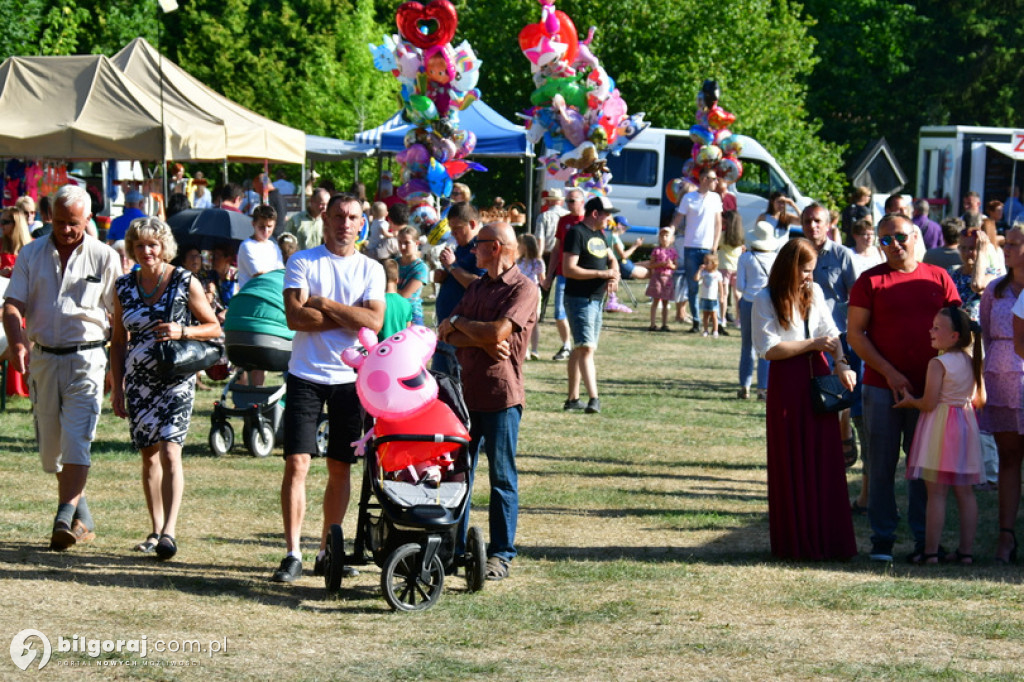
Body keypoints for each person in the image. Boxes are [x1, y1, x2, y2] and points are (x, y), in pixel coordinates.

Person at [271, 193, 385, 583]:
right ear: (325, 219)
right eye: (338, 215)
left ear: (361, 222)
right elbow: (294, 318)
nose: (345, 223)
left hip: (351, 381)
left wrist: (322, 303)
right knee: (297, 464)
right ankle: (292, 553)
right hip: (305, 374)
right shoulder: (302, 260)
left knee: (340, 468)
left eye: (353, 216)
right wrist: (348, 316)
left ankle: (326, 551)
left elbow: (375, 322)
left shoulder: (371, 268)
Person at [2, 185, 121, 550]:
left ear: (87, 220)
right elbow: (11, 306)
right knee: (51, 451)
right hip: (44, 358)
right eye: (60, 222)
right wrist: (18, 341)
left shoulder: (104, 257)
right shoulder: (31, 254)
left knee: (77, 440)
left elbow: (119, 319)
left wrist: (118, 370)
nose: (66, 229)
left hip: (88, 358)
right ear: (50, 217)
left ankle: (63, 516)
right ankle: (81, 516)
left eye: (73, 223)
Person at [848, 213, 962, 563]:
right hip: (882, 388)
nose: (894, 244)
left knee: (922, 467)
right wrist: (890, 373)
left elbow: (959, 329)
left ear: (915, 236)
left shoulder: (939, 277)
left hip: (928, 391)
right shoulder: (869, 281)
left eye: (899, 236)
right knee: (880, 465)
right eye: (885, 239)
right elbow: (855, 335)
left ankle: (923, 540)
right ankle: (882, 538)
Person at [109, 218, 221, 560]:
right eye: (140, 245)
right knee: (149, 455)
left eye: (153, 245)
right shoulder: (123, 287)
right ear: (132, 248)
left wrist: (181, 331)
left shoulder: (184, 281)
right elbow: (117, 340)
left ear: (164, 247)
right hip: (139, 381)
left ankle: (169, 532)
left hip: (175, 378)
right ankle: (155, 528)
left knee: (171, 450)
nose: (147, 251)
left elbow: (214, 326)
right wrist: (117, 386)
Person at [438, 221, 538, 581]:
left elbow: (499, 333)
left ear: (495, 247)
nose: (472, 250)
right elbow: (445, 330)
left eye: (477, 245)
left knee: (501, 478)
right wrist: (470, 328)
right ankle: (453, 549)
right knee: (458, 475)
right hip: (466, 398)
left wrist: (466, 328)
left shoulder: (525, 288)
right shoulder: (478, 286)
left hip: (501, 397)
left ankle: (500, 554)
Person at [752, 238, 857, 560]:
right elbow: (769, 350)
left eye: (812, 271)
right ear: (789, 268)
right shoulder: (765, 298)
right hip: (788, 381)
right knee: (791, 458)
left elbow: (833, 332)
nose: (809, 277)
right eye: (805, 270)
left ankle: (830, 541)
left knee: (824, 459)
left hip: (819, 379)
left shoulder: (816, 293)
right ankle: (796, 542)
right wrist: (812, 344)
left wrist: (842, 364)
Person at [895, 306, 985, 564]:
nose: (931, 331)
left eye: (937, 328)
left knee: (936, 494)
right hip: (966, 426)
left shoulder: (938, 363)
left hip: (940, 429)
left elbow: (929, 403)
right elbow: (981, 399)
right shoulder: (972, 360)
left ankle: (931, 552)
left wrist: (909, 402)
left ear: (954, 335)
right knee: (966, 493)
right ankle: (966, 553)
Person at [801, 203, 859, 463]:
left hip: (839, 334)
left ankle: (844, 433)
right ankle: (816, 442)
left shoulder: (842, 255)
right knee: (810, 391)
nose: (812, 226)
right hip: (805, 336)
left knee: (840, 388)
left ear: (828, 225)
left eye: (817, 221)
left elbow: (856, 295)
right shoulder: (796, 254)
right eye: (807, 221)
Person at [981, 226, 1024, 563]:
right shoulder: (995, 290)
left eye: (1013, 244)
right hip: (1002, 384)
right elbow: (986, 339)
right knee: (1008, 459)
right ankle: (1005, 537)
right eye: (1004, 243)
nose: (1005, 248)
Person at [562, 196, 620, 414]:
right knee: (586, 348)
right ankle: (594, 398)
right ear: (595, 213)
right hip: (579, 298)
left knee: (580, 349)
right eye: (606, 213)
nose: (609, 218)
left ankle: (572, 399)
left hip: (596, 299)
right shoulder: (576, 233)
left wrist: (613, 275)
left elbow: (612, 259)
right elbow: (569, 269)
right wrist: (601, 273)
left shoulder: (600, 235)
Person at [433, 201, 485, 373]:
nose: (453, 233)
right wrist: (443, 276)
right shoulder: (461, 248)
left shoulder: (481, 247)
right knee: (440, 382)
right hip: (446, 327)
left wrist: (452, 266)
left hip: (461, 331)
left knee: (455, 385)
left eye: (457, 228)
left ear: (472, 224)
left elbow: (478, 285)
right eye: (451, 229)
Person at [671, 167, 723, 332]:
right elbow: (678, 218)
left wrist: (715, 246)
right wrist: (670, 231)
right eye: (713, 178)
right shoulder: (689, 198)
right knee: (692, 285)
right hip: (691, 246)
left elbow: (718, 224)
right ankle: (696, 322)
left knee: (712, 284)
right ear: (703, 179)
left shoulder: (715, 198)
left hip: (708, 247)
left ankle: (715, 323)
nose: (716, 182)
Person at [736, 220, 777, 400]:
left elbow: (739, 285)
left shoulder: (745, 258)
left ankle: (744, 386)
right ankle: (764, 388)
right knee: (766, 345)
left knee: (747, 346)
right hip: (768, 302)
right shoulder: (776, 258)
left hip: (748, 301)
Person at [542, 188, 584, 359]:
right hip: (562, 274)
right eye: (567, 201)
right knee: (559, 312)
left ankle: (581, 346)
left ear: (582, 202)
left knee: (579, 312)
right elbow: (556, 249)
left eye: (572, 201)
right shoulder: (563, 221)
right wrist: (549, 274)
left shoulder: (588, 221)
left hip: (582, 275)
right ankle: (566, 345)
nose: (569, 204)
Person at [236, 204, 284, 290]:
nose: (266, 231)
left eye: (269, 226)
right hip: (252, 295)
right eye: (262, 227)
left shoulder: (273, 246)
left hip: (271, 291)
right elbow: (259, 275)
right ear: (253, 224)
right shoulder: (247, 246)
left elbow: (281, 272)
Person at [516, 233, 545, 360]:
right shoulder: (518, 261)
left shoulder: (538, 262)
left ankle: (534, 349)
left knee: (534, 321)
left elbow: (541, 279)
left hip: (533, 292)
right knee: (522, 321)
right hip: (521, 292)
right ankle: (525, 349)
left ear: (526, 246)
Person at [396, 225, 429, 326]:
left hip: (412, 314)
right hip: (394, 312)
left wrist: (386, 291)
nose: (402, 247)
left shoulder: (421, 268)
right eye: (400, 243)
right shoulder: (394, 263)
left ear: (417, 243)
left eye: (406, 243)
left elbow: (404, 295)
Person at [717, 211, 744, 333]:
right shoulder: (740, 238)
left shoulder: (723, 236)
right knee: (737, 295)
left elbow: (717, 246)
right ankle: (739, 320)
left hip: (724, 266)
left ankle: (722, 318)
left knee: (723, 294)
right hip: (736, 267)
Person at [646, 227, 677, 332]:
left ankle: (664, 323)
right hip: (657, 277)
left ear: (672, 238)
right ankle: (653, 324)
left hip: (667, 278)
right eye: (662, 236)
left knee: (665, 302)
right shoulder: (656, 250)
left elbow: (675, 266)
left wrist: (671, 265)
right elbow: (651, 264)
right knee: (655, 301)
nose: (664, 238)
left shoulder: (673, 251)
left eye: (667, 236)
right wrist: (661, 264)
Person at [281, 187, 328, 251]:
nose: (324, 207)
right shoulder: (296, 220)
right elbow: (286, 242)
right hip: (300, 259)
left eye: (327, 204)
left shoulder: (328, 222)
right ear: (312, 201)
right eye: (322, 204)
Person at [379, 258, 412, 341]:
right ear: (397, 280)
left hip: (380, 350)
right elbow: (407, 331)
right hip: (399, 349)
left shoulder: (376, 302)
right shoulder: (406, 303)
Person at [694, 253, 723, 337]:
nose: (704, 264)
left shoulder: (717, 274)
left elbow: (720, 286)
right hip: (704, 297)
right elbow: (696, 278)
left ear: (714, 264)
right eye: (704, 262)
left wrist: (721, 296)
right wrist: (699, 270)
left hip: (713, 298)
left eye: (707, 262)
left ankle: (715, 330)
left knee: (714, 315)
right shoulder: (704, 273)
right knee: (705, 315)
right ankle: (705, 330)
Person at [534, 188, 568, 256]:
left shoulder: (543, 216)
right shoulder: (568, 215)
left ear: (549, 201)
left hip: (548, 254)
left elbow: (540, 239)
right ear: (561, 201)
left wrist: (538, 257)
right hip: (565, 254)